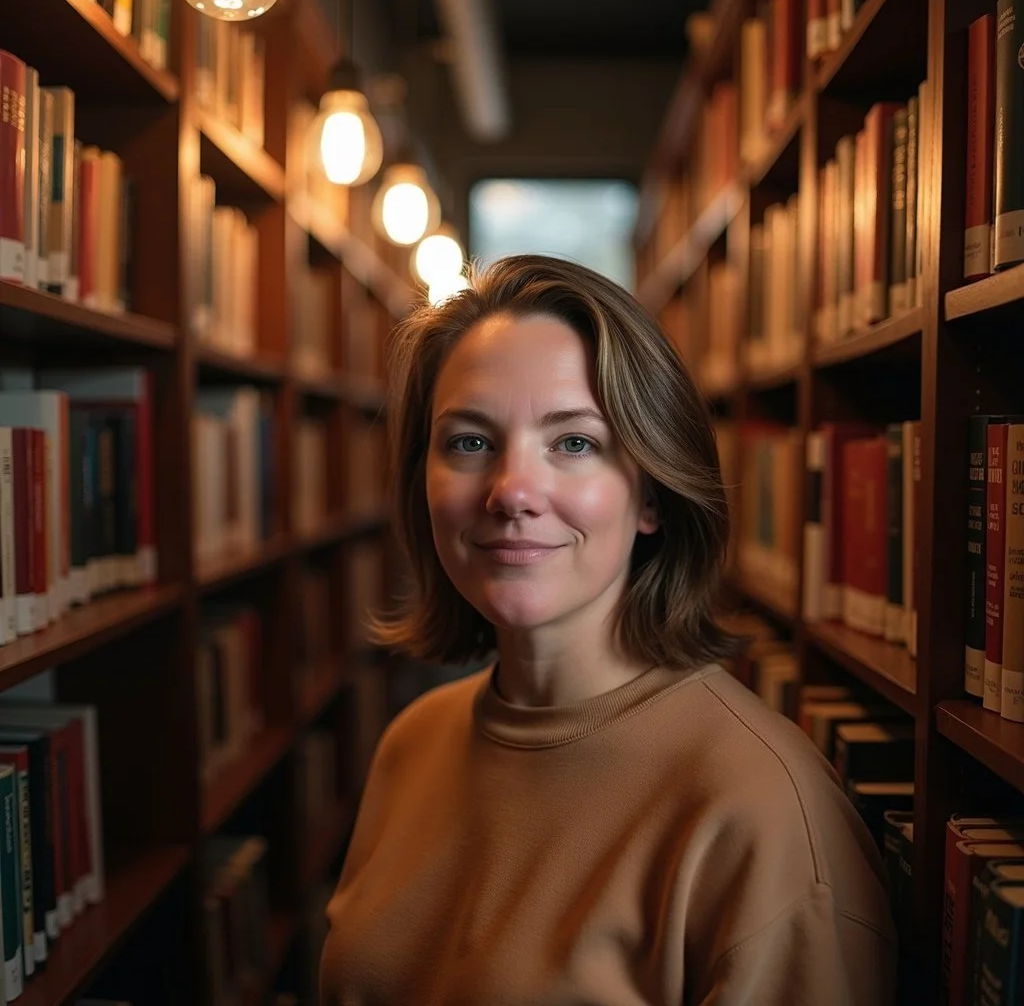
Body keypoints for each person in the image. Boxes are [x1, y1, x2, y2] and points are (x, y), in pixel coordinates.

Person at [319, 254, 896, 1005]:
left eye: (574, 443)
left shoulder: (762, 812)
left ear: (650, 493)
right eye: (469, 441)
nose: (513, 490)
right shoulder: (412, 742)